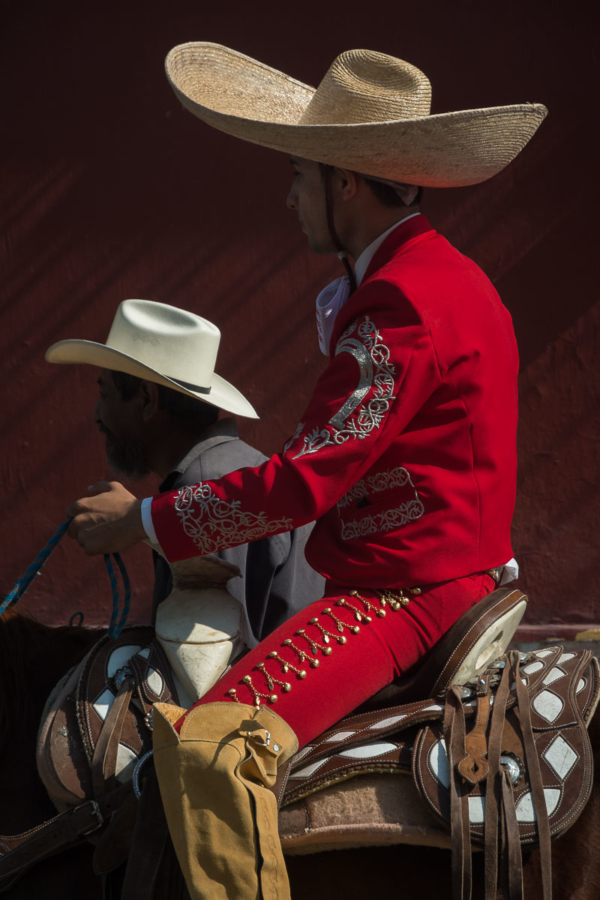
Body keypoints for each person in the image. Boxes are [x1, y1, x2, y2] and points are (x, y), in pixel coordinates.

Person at [65, 46, 546, 900]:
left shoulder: (399, 303)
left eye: (297, 174)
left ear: (345, 182)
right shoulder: (449, 279)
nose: (288, 197)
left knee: (212, 745)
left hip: (405, 593)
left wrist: (142, 523)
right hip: (445, 572)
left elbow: (299, 487)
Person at [46, 299, 325, 644]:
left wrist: (135, 522)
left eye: (105, 394)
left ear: (147, 399)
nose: (96, 416)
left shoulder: (203, 484)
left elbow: (206, 664)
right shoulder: (228, 468)